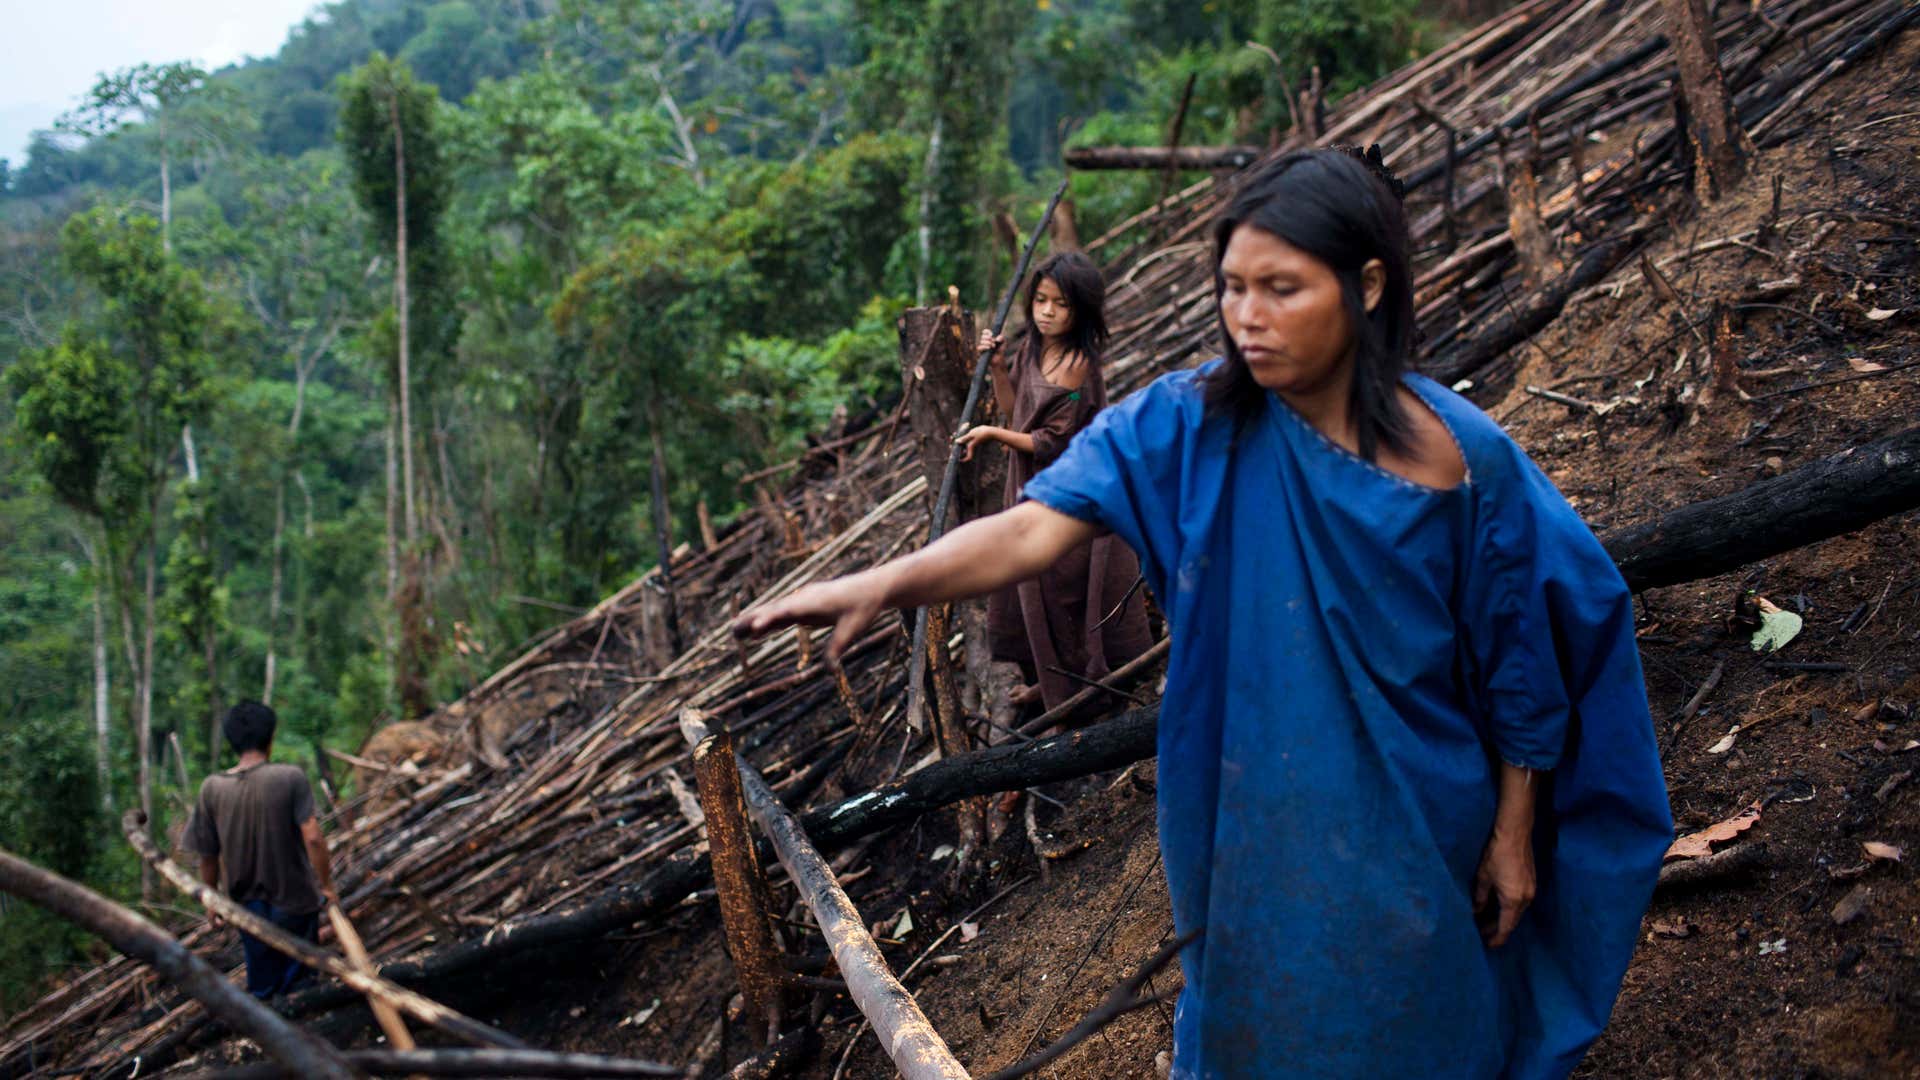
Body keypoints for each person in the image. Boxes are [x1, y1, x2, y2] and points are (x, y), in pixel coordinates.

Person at [736, 147, 1671, 1078]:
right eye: (1232, 288)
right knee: (1256, 1009)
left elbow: (1520, 658)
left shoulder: (1465, 458)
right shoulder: (1187, 425)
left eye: (1282, 288)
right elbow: (1029, 534)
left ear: (1369, 284)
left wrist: (1513, 833)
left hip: (1421, 810)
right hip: (1247, 804)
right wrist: (886, 581)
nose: (1248, 318)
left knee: (1421, 1014)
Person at [956, 251, 1154, 711]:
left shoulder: (1077, 365)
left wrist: (989, 434)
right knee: (1036, 589)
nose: (1047, 312)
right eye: (1041, 300)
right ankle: (1050, 686)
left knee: (1069, 588)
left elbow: (1049, 442)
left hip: (1070, 489)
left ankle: (1082, 688)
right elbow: (1016, 414)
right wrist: (1000, 366)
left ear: (1081, 308)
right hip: (1030, 486)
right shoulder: (1033, 349)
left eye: (1060, 304)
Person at [184, 701, 338, 999]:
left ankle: (270, 1039)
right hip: (295, 902)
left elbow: (207, 854)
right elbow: (314, 838)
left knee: (264, 989)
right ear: (270, 738)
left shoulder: (212, 788)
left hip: (247, 909)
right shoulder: (289, 777)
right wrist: (327, 886)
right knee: (302, 988)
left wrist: (211, 897)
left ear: (232, 742)